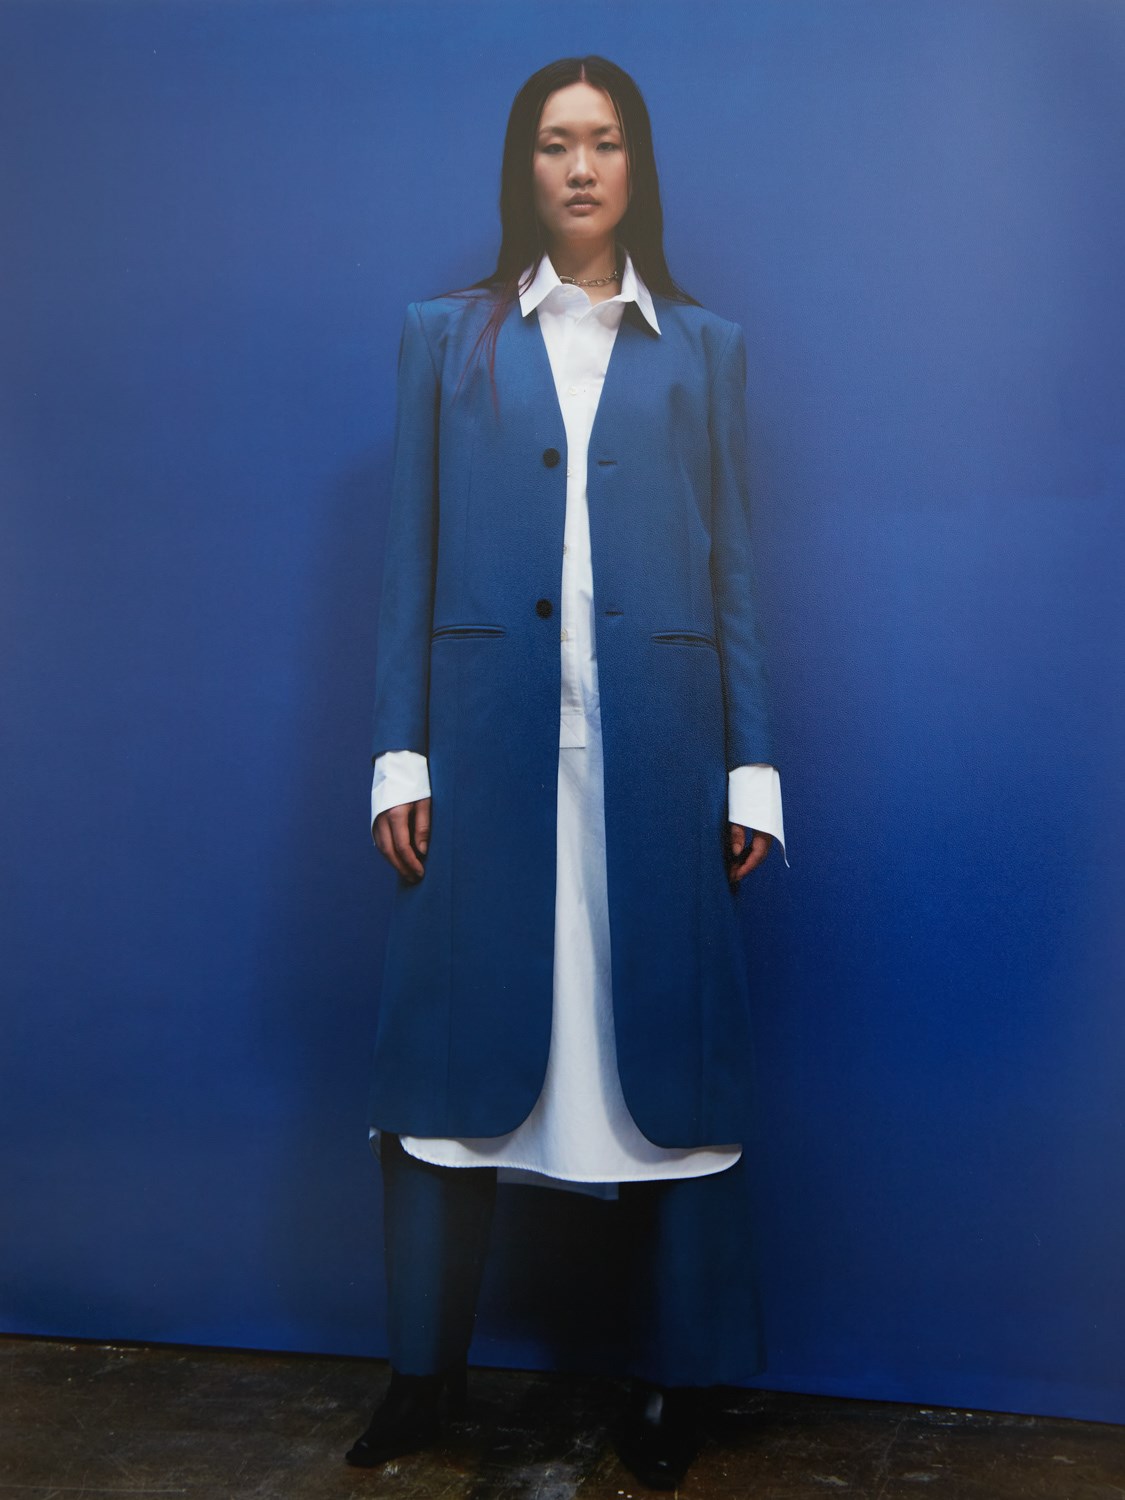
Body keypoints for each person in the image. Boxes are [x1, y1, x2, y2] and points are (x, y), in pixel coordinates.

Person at [350, 55, 786, 1491]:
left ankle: (675, 1385)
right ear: (522, 167)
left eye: (603, 142)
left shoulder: (703, 348)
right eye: (554, 142)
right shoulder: (445, 338)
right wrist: (400, 752)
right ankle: (422, 1381)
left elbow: (734, 570)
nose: (580, 167)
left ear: (635, 165)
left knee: (670, 1059)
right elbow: (408, 555)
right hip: (483, 759)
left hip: (658, 760)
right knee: (448, 1065)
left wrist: (749, 768)